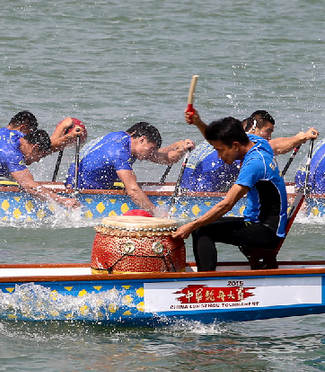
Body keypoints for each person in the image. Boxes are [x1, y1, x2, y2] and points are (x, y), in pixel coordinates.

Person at [174, 115, 288, 271]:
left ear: (235, 145)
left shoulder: (254, 164)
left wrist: (190, 226)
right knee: (202, 225)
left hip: (266, 231)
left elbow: (226, 205)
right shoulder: (257, 142)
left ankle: (205, 283)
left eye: (220, 151)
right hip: (257, 222)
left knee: (201, 229)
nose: (219, 157)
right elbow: (217, 140)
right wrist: (199, 122)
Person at [0, 112, 84, 208]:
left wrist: (62, 133)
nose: (37, 161)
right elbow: (30, 186)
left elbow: (45, 144)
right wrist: (62, 200)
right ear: (35, 148)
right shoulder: (11, 153)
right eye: (40, 156)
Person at [65, 122, 194, 215]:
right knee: (134, 188)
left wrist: (181, 149)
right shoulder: (120, 153)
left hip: (80, 184)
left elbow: (166, 159)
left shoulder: (123, 138)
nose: (152, 153)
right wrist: (158, 213)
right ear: (142, 139)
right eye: (151, 149)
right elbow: (133, 192)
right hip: (82, 194)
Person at [182, 110, 318, 192]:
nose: (269, 137)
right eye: (267, 131)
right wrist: (301, 138)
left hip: (188, 189)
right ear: (253, 128)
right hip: (202, 193)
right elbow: (274, 146)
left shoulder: (225, 138)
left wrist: (198, 122)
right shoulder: (244, 142)